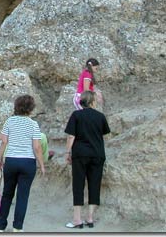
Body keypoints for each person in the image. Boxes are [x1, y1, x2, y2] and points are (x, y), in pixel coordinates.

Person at [0, 95, 46, 232]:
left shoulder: (9, 122)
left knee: (7, 193)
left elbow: (4, 142)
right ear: (31, 108)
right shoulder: (33, 124)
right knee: (23, 196)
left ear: (17, 106)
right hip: (28, 162)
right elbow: (37, 147)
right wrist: (41, 164)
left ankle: (1, 225)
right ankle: (17, 226)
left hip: (11, 160)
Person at [64, 90, 111, 229]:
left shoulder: (76, 115)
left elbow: (71, 136)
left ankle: (77, 219)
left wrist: (67, 152)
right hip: (97, 154)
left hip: (80, 154)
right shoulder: (100, 116)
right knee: (94, 185)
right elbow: (105, 134)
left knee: (78, 185)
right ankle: (90, 218)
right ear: (92, 101)